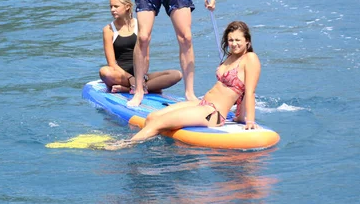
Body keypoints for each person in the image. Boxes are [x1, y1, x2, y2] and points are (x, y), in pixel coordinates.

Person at [109, 21, 261, 148]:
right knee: (152, 117)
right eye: (230, 40)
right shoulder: (230, 57)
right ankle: (166, 149)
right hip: (202, 103)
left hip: (213, 113)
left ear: (247, 40)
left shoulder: (250, 59)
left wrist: (249, 121)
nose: (233, 44)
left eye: (238, 40)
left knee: (159, 122)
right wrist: (238, 117)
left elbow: (249, 92)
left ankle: (125, 144)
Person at [99, 0, 182, 94]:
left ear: (127, 6)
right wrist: (130, 78)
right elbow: (112, 64)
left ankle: (134, 88)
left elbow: (146, 57)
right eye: (111, 7)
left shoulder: (140, 25)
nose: (112, 10)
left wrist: (141, 77)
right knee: (104, 72)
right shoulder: (108, 30)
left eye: (116, 6)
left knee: (176, 74)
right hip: (121, 75)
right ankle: (145, 87)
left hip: (141, 74)